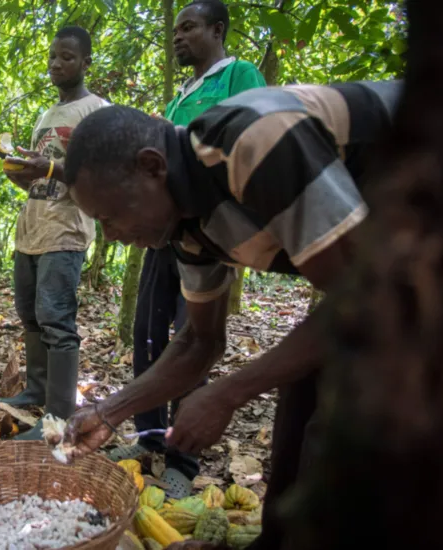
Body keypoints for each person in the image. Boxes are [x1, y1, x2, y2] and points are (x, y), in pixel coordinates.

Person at [59, 81, 402, 549]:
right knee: (298, 411)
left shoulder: (255, 141)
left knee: (344, 428)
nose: (113, 235)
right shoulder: (186, 227)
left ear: (151, 167)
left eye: (112, 216)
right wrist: (109, 411)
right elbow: (200, 343)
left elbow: (365, 296)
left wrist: (227, 394)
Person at [109, 0, 266, 499]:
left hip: (213, 231)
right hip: (168, 231)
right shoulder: (181, 98)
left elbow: (256, 139)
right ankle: (147, 435)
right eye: (175, 29)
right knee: (148, 331)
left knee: (190, 333)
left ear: (217, 30)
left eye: (189, 27)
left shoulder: (238, 74)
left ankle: (182, 457)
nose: (178, 36)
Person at [0, 26, 109, 440]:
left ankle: (60, 413)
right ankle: (37, 389)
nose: (56, 64)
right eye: (52, 57)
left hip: (67, 228)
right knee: (29, 313)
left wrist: (44, 168)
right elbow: (41, 178)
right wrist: (22, 170)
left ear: (85, 63)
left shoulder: (96, 110)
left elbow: (98, 173)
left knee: (56, 319)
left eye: (66, 57)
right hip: (33, 226)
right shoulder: (47, 116)